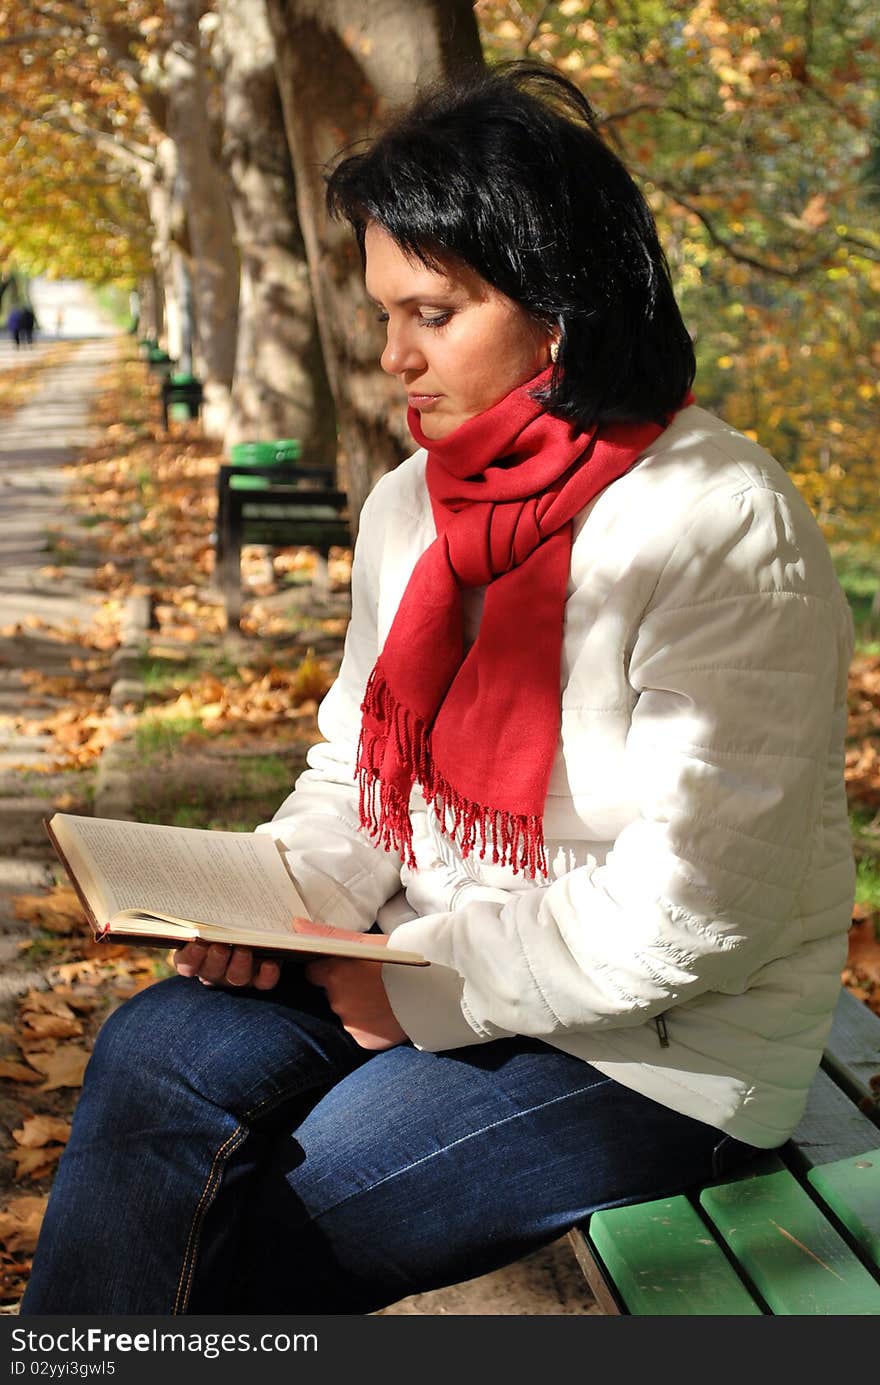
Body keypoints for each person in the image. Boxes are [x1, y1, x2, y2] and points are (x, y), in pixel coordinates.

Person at [21, 62, 855, 1316]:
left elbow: (699, 910)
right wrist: (278, 903)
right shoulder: (416, 500)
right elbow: (359, 770)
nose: (390, 356)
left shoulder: (719, 521)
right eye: (382, 315)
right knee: (154, 1050)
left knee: (259, 1226)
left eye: (431, 313)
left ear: (559, 309)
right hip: (421, 948)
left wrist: (418, 984)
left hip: (664, 1047)